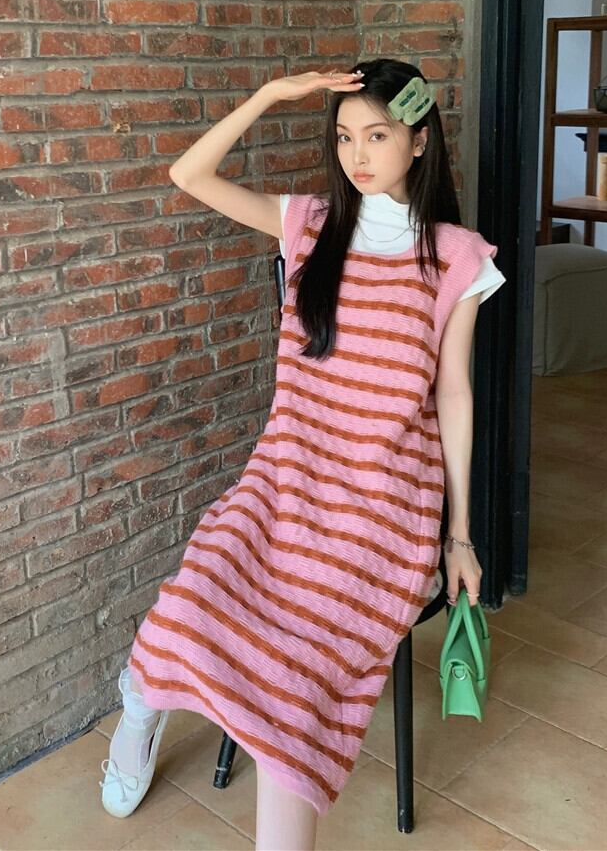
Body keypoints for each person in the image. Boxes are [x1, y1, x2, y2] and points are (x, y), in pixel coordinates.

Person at [99, 59, 505, 849]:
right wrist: (271, 95)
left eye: (377, 135)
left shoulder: (456, 255)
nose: (358, 155)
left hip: (383, 503)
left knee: (305, 668)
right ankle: (141, 703)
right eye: (344, 136)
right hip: (286, 475)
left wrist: (458, 536)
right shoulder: (309, 221)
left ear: (420, 141)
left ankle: (222, 736)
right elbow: (189, 175)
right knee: (199, 589)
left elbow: (454, 393)